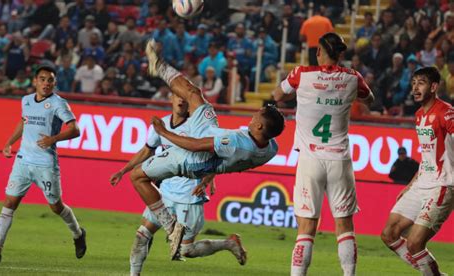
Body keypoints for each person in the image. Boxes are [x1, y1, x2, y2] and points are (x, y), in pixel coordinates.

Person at [127, 39, 285, 260]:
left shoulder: (235, 142)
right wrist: (214, 173)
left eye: (257, 115)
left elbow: (193, 145)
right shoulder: (271, 147)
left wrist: (164, 132)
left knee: (137, 176)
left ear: (259, 126)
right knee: (193, 92)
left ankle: (171, 226)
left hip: (194, 158)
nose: (254, 114)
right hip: (209, 133)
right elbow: (233, 164)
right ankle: (158, 65)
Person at [273, 32, 374, 276]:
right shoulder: (353, 78)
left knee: (307, 226)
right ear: (341, 54)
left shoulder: (301, 74)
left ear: (318, 51)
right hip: (340, 159)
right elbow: (369, 99)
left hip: (310, 160)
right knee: (344, 225)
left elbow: (277, 95)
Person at [110, 94, 246, 275]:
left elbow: (217, 154)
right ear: (171, 98)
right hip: (164, 194)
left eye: (184, 98)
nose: (181, 101)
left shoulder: (196, 127)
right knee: (142, 235)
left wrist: (209, 178)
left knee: (186, 250)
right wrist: (123, 170)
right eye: (177, 97)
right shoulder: (162, 124)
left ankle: (229, 243)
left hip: (188, 195)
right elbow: (146, 150)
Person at [0, 65, 87, 263]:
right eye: (43, 79)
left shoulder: (58, 104)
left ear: (54, 83)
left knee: (56, 207)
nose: (46, 83)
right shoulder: (27, 100)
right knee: (9, 202)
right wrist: (9, 142)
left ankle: (78, 234)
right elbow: (24, 122)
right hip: (23, 160)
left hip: (45, 163)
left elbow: (75, 130)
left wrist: (53, 139)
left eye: (50, 80)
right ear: (35, 81)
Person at [381, 67, 453, 276]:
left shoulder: (446, 112)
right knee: (389, 234)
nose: (415, 87)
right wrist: (411, 184)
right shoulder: (419, 115)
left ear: (433, 86)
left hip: (442, 185)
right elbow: (427, 156)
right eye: (413, 83)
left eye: (421, 82)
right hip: (421, 183)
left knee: (414, 243)